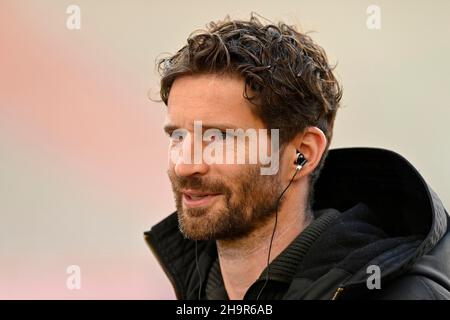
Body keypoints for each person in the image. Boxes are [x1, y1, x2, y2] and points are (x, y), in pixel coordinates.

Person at [144, 14, 450, 300]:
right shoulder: (196, 289)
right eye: (178, 136)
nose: (185, 164)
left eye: (220, 137)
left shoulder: (407, 294)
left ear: (302, 153)